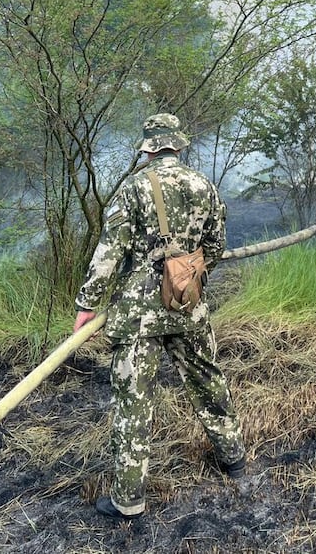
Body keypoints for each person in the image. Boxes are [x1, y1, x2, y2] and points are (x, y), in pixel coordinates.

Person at [73, 113, 246, 520]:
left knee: (134, 401)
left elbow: (109, 252)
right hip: (189, 307)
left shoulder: (134, 188)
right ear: (179, 146)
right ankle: (235, 461)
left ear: (148, 148)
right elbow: (216, 246)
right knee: (208, 380)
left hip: (138, 314)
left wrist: (87, 304)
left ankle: (129, 500)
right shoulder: (205, 185)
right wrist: (186, 279)